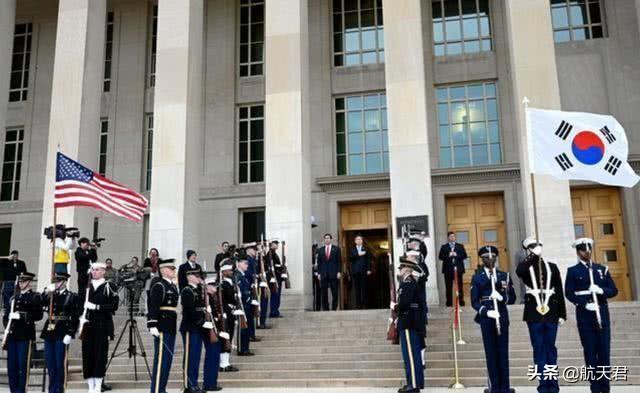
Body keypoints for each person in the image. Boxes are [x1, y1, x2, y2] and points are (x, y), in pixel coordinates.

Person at [565, 238, 618, 393]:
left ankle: (605, 387)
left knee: (604, 352)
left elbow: (613, 290)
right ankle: (594, 388)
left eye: (589, 250)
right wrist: (583, 303)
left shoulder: (601, 269)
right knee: (590, 352)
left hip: (602, 313)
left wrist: (602, 291)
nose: (586, 252)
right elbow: (569, 293)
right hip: (585, 316)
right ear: (578, 252)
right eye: (583, 250)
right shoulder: (573, 271)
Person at [516, 237, 566, 393]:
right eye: (531, 246)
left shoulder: (552, 267)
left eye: (537, 245)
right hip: (534, 312)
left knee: (550, 348)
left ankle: (553, 384)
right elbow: (520, 271)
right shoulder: (526, 266)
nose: (535, 248)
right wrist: (533, 256)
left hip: (551, 310)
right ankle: (543, 385)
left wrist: (562, 314)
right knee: (538, 348)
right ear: (527, 250)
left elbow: (559, 290)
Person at [470, 246, 516, 393]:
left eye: (492, 257)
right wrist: (485, 312)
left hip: (501, 315)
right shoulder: (478, 277)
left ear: (496, 258)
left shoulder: (504, 276)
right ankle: (494, 387)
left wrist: (502, 297)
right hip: (488, 318)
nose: (489, 260)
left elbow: (512, 298)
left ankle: (505, 387)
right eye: (486, 257)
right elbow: (474, 301)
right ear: (482, 260)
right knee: (491, 353)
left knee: (503, 353)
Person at [80, 262, 119, 393]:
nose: (94, 272)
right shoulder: (87, 287)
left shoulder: (109, 286)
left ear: (103, 271)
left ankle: (98, 386)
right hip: (88, 325)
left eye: (97, 270)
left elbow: (114, 306)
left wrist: (96, 307)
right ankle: (90, 386)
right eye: (92, 270)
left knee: (100, 355)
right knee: (87, 355)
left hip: (102, 325)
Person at [40, 272, 80, 393]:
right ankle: (51, 389)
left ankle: (59, 389)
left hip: (62, 331)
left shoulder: (72, 296)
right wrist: (46, 292)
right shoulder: (51, 295)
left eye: (58, 281)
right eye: (55, 281)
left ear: (64, 282)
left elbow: (75, 316)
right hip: (49, 331)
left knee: (59, 363)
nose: (56, 283)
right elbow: (39, 303)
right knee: (50, 363)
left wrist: (70, 333)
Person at [3, 272, 42, 393]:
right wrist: (7, 323)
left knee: (22, 366)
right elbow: (6, 317)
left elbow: (38, 315)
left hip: (25, 336)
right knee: (11, 367)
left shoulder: (35, 297)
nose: (21, 284)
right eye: (20, 281)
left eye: (23, 281)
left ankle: (21, 391)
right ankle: (13, 390)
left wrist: (21, 316)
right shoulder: (14, 298)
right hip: (12, 336)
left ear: (29, 282)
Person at [392, 257, 425, 393]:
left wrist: (395, 307)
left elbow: (405, 304)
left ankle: (414, 384)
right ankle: (412, 383)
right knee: (410, 355)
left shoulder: (408, 283)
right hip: (409, 321)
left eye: (401, 268)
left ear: (407, 269)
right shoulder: (408, 283)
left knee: (411, 355)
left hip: (408, 322)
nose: (399, 270)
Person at [147, 259, 179, 393]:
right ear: (164, 270)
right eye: (172, 269)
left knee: (167, 360)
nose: (174, 271)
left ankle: (162, 389)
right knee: (161, 361)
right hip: (162, 325)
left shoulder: (171, 286)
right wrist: (152, 324)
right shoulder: (159, 285)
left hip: (170, 325)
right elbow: (153, 305)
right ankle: (156, 390)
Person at [180, 267, 208, 393]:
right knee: (190, 357)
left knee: (196, 357)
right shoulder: (187, 290)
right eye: (197, 276)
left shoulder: (198, 290)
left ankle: (194, 383)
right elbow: (190, 310)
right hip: (190, 327)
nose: (199, 278)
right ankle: (189, 385)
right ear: (190, 277)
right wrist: (200, 321)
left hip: (198, 328)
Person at [218, 259, 239, 372]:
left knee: (229, 337)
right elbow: (222, 301)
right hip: (226, 314)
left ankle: (226, 362)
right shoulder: (223, 285)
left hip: (231, 313)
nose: (231, 272)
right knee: (225, 338)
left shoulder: (231, 283)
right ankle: (223, 364)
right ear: (224, 272)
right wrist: (230, 308)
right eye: (229, 270)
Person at [203, 276, 223, 392]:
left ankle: (212, 382)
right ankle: (209, 383)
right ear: (208, 287)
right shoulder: (206, 298)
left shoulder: (213, 297)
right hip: (210, 331)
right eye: (213, 285)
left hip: (216, 330)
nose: (215, 288)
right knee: (211, 356)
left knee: (215, 357)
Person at [438, 231, 467, 307]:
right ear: (448, 238)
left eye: (453, 236)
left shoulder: (460, 246)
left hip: (458, 269)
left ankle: (461, 302)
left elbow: (464, 255)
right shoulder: (444, 247)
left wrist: (456, 254)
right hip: (448, 270)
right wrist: (449, 255)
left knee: (460, 287)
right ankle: (449, 303)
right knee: (448, 287)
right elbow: (440, 257)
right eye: (451, 236)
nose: (452, 238)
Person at [316, 234, 342, 311]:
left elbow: (339, 261)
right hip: (323, 274)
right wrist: (319, 273)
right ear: (324, 240)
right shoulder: (320, 250)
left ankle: (334, 308)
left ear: (331, 239)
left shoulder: (336, 249)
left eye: (328, 238)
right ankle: (326, 309)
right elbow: (319, 263)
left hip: (334, 274)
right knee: (324, 293)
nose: (327, 239)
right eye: (325, 238)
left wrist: (339, 272)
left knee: (334, 293)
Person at [235, 258, 254, 356]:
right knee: (243, 328)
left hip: (247, 305)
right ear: (238, 264)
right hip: (242, 306)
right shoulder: (238, 276)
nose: (247, 265)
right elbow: (240, 292)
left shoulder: (243, 275)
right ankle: (242, 349)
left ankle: (245, 348)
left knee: (247, 327)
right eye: (245, 263)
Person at [244, 244, 261, 341]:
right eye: (254, 250)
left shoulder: (252, 259)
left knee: (252, 314)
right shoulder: (247, 260)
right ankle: (250, 335)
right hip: (249, 289)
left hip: (253, 287)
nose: (255, 251)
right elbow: (248, 274)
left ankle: (252, 334)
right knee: (249, 314)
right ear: (249, 250)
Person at [349, 235, 371, 309]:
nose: (358, 240)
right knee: (357, 289)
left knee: (364, 288)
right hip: (355, 272)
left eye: (360, 239)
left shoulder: (366, 249)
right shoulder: (352, 250)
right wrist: (358, 254)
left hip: (363, 271)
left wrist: (368, 269)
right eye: (357, 239)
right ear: (355, 241)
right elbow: (351, 258)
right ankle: (358, 305)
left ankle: (364, 304)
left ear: (362, 241)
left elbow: (368, 260)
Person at [266, 240, 284, 318]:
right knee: (275, 295)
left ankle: (275, 310)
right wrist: (280, 267)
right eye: (275, 244)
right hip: (274, 277)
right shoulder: (270, 254)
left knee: (277, 295)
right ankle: (273, 311)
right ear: (271, 245)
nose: (277, 245)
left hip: (277, 276)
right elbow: (271, 266)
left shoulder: (274, 253)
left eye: (277, 244)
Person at [255, 242, 270, 329]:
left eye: (263, 247)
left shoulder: (265, 258)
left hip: (264, 282)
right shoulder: (256, 260)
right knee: (260, 304)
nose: (262, 249)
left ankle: (263, 321)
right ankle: (259, 322)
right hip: (259, 285)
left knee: (265, 302)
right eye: (260, 248)